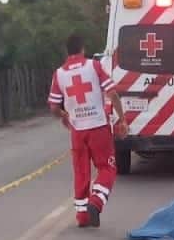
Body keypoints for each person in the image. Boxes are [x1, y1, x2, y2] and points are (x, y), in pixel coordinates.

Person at [48, 34, 128, 226]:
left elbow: (53, 107)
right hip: (98, 127)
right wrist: (122, 119)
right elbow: (112, 94)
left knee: (81, 172)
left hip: (78, 130)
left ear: (67, 52)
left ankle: (82, 216)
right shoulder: (94, 66)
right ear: (83, 49)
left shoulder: (59, 74)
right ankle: (96, 202)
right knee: (107, 168)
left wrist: (64, 116)